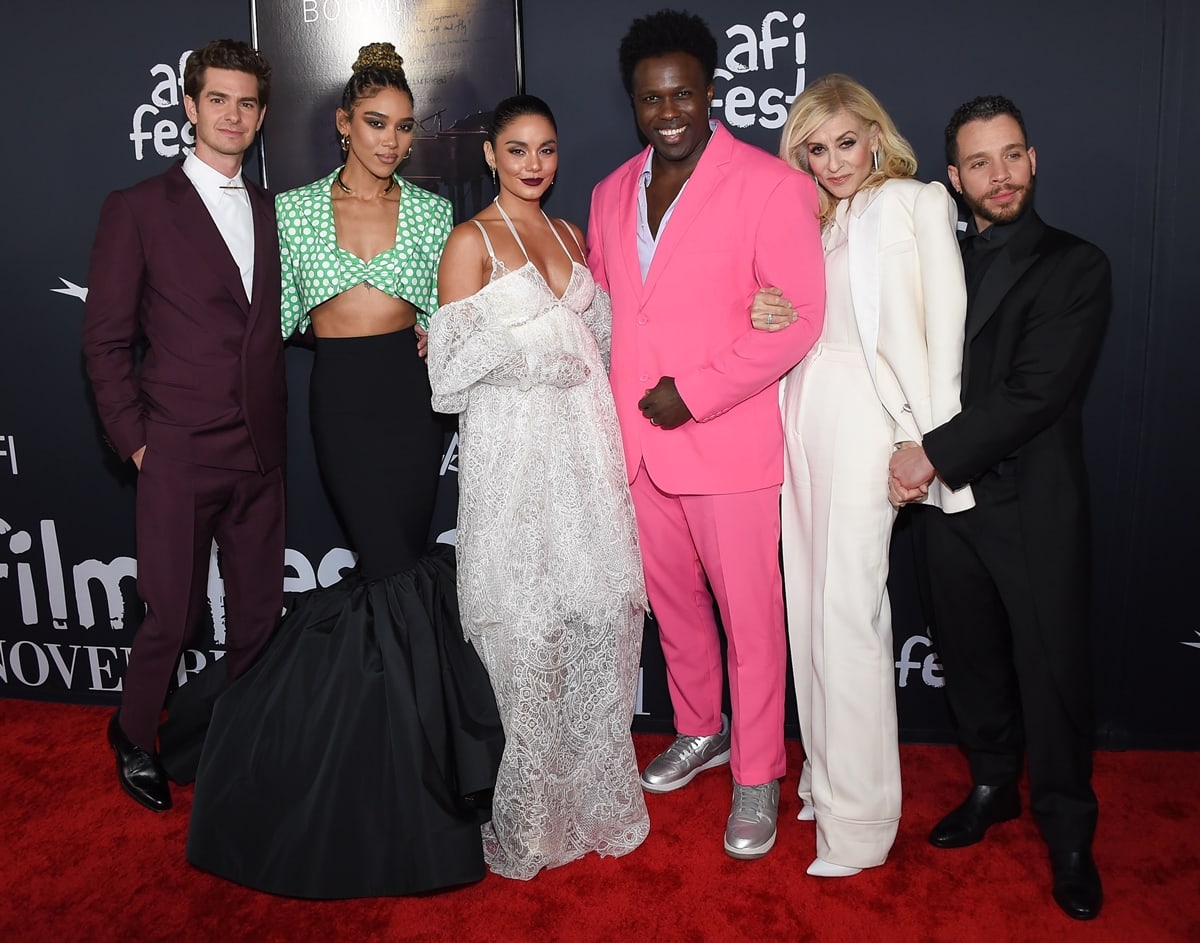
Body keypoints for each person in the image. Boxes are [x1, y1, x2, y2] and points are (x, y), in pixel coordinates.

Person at [186, 43, 503, 899]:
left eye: (403, 127)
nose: (391, 140)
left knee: (393, 571)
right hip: (342, 400)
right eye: (375, 124)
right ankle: (402, 770)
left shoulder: (436, 214)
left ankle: (397, 751)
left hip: (413, 404)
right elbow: (257, 319)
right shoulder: (288, 211)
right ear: (341, 123)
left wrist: (450, 333)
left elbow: (459, 315)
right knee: (393, 574)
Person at [587, 9, 825, 860]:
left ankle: (759, 771)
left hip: (724, 443)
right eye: (652, 98)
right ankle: (702, 728)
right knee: (676, 609)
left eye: (684, 92)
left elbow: (797, 321)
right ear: (634, 103)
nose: (670, 110)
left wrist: (693, 393)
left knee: (750, 619)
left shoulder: (768, 183)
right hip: (640, 450)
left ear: (711, 92)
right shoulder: (610, 190)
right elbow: (608, 310)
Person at [888, 95, 1111, 920]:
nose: (999, 174)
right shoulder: (933, 259)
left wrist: (929, 455)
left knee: (1052, 672)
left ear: (1033, 159)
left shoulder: (1075, 265)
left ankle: (1069, 827)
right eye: (979, 162)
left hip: (1031, 504)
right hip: (950, 507)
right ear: (953, 178)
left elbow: (1034, 393)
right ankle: (991, 784)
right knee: (970, 657)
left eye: (1011, 155)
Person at [746, 74, 973, 878]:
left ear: (876, 134)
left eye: (847, 141)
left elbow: (943, 332)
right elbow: (797, 312)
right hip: (801, 411)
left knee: (848, 615)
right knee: (808, 610)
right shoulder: (810, 215)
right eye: (817, 147)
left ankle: (864, 819)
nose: (835, 160)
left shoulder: (918, 203)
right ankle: (826, 779)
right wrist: (766, 312)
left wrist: (928, 443)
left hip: (870, 420)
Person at [427, 94, 650, 880]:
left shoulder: (567, 234)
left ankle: (592, 800)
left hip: (584, 458)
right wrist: (530, 360)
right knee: (526, 635)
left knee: (597, 617)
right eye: (517, 149)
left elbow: (604, 342)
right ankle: (532, 820)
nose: (533, 163)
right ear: (490, 154)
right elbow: (445, 376)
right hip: (516, 463)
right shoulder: (470, 241)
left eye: (546, 149)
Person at [82, 39, 285, 815]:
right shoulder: (136, 208)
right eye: (219, 100)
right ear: (191, 106)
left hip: (261, 450)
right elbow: (103, 341)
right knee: (173, 613)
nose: (233, 115)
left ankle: (249, 735)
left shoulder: (272, 211)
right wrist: (138, 439)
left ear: (261, 116)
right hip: (175, 448)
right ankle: (134, 734)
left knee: (259, 614)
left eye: (247, 103)